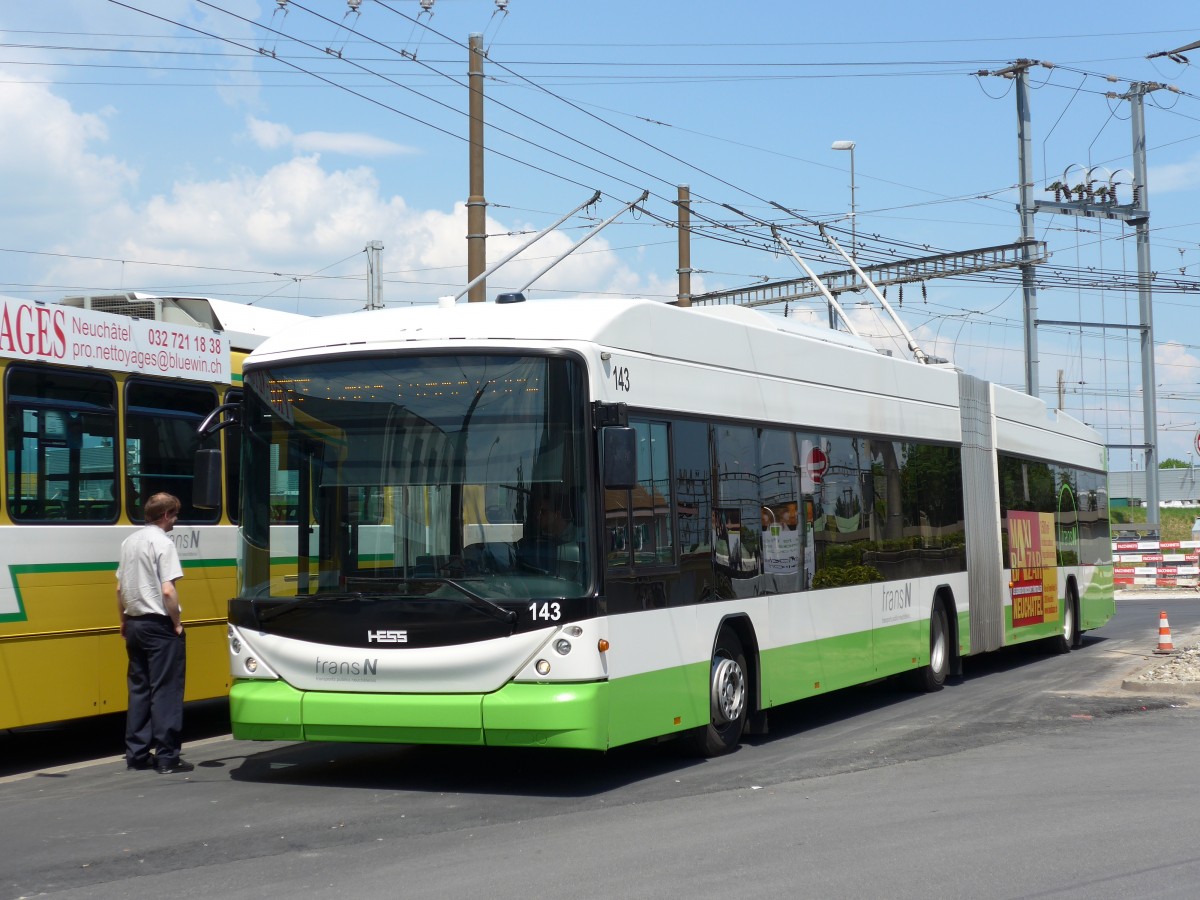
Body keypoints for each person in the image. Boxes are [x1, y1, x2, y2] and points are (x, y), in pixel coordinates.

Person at [116, 492, 193, 774]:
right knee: (166, 691)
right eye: (175, 514)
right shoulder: (163, 543)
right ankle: (167, 757)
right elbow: (168, 590)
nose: (176, 520)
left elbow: (119, 588)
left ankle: (136, 755)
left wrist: (123, 620)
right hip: (159, 626)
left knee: (139, 690)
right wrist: (177, 622)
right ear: (164, 516)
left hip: (134, 623)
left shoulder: (129, 541)